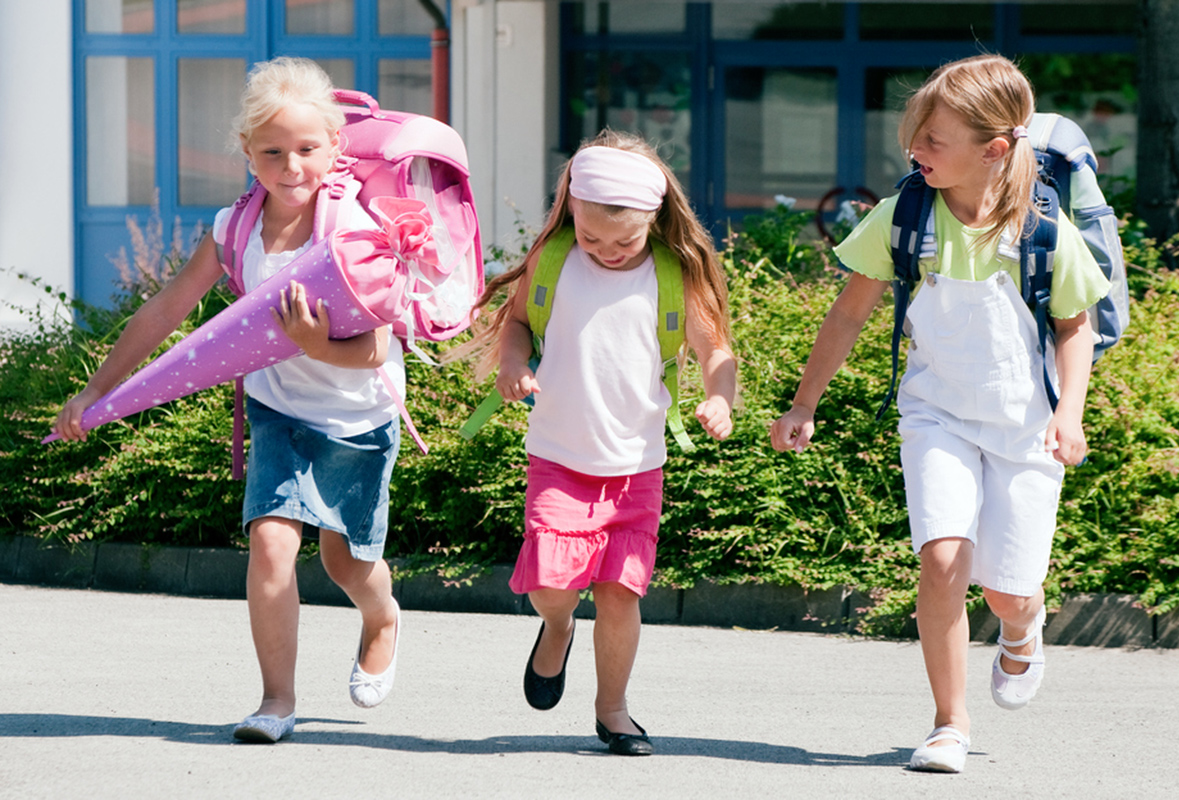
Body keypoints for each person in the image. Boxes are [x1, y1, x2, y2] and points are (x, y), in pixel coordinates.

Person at [769, 55, 1111, 774]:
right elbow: (849, 313)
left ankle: (1024, 628)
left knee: (1008, 593)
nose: (912, 151)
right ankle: (948, 723)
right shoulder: (907, 214)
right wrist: (805, 401)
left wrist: (1070, 414)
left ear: (993, 150)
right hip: (936, 418)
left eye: (931, 140)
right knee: (943, 559)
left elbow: (1073, 325)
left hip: (1026, 429)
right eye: (913, 136)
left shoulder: (1042, 230)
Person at [54, 57, 405, 744]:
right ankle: (276, 701)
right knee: (272, 543)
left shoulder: (355, 230)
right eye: (272, 151)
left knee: (346, 564)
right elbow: (164, 311)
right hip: (280, 413)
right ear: (247, 152)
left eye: (307, 149)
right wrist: (98, 388)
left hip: (358, 415)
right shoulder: (233, 230)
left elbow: (373, 352)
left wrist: (312, 343)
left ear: (335, 147)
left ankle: (382, 618)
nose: (291, 165)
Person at [462, 129, 736, 756]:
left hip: (638, 466)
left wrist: (719, 396)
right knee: (552, 587)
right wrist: (511, 364)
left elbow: (716, 350)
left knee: (619, 594)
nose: (607, 251)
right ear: (571, 212)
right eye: (592, 237)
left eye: (625, 240)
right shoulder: (554, 261)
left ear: (654, 219)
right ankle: (556, 626)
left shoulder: (673, 275)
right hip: (560, 457)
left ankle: (613, 711)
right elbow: (519, 326)